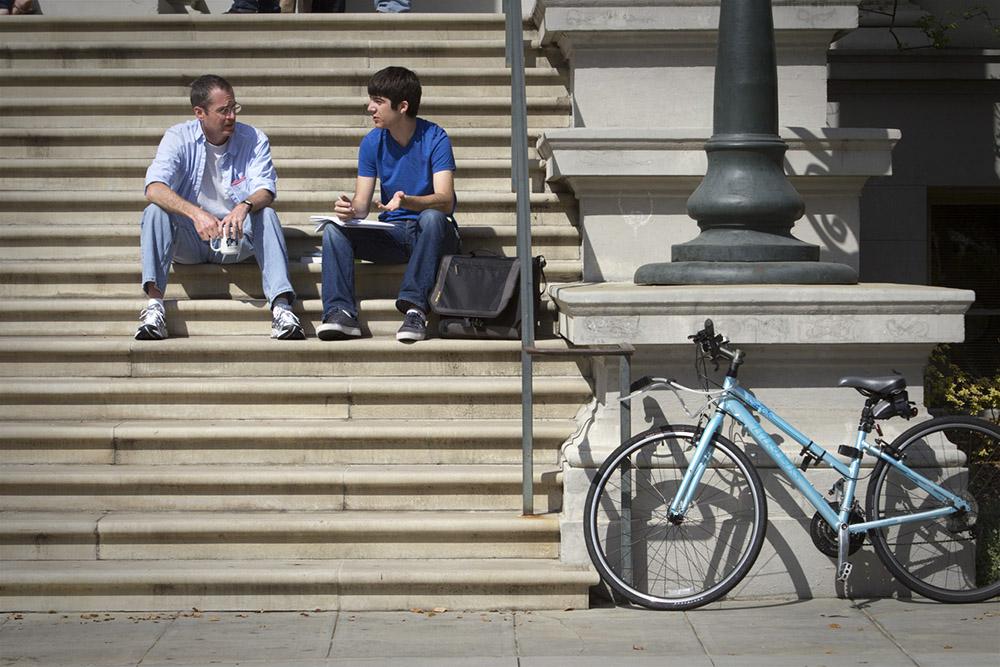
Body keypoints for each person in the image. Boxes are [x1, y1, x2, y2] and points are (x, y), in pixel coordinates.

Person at [137, 74, 304, 341]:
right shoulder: (178, 137)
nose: (231, 117)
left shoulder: (254, 139)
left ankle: (282, 309)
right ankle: (155, 307)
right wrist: (196, 214)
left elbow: (266, 189)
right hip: (190, 238)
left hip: (235, 236)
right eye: (223, 110)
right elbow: (153, 188)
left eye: (234, 108)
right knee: (154, 212)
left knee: (267, 214)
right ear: (199, 113)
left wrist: (244, 206)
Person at [318, 66, 459, 343]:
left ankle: (415, 309)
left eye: (378, 102)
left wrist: (409, 201)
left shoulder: (435, 138)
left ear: (403, 106)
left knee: (431, 218)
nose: (370, 108)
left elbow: (446, 201)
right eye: (372, 100)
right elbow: (361, 204)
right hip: (394, 233)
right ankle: (340, 312)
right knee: (335, 231)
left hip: (434, 234)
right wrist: (350, 210)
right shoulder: (372, 142)